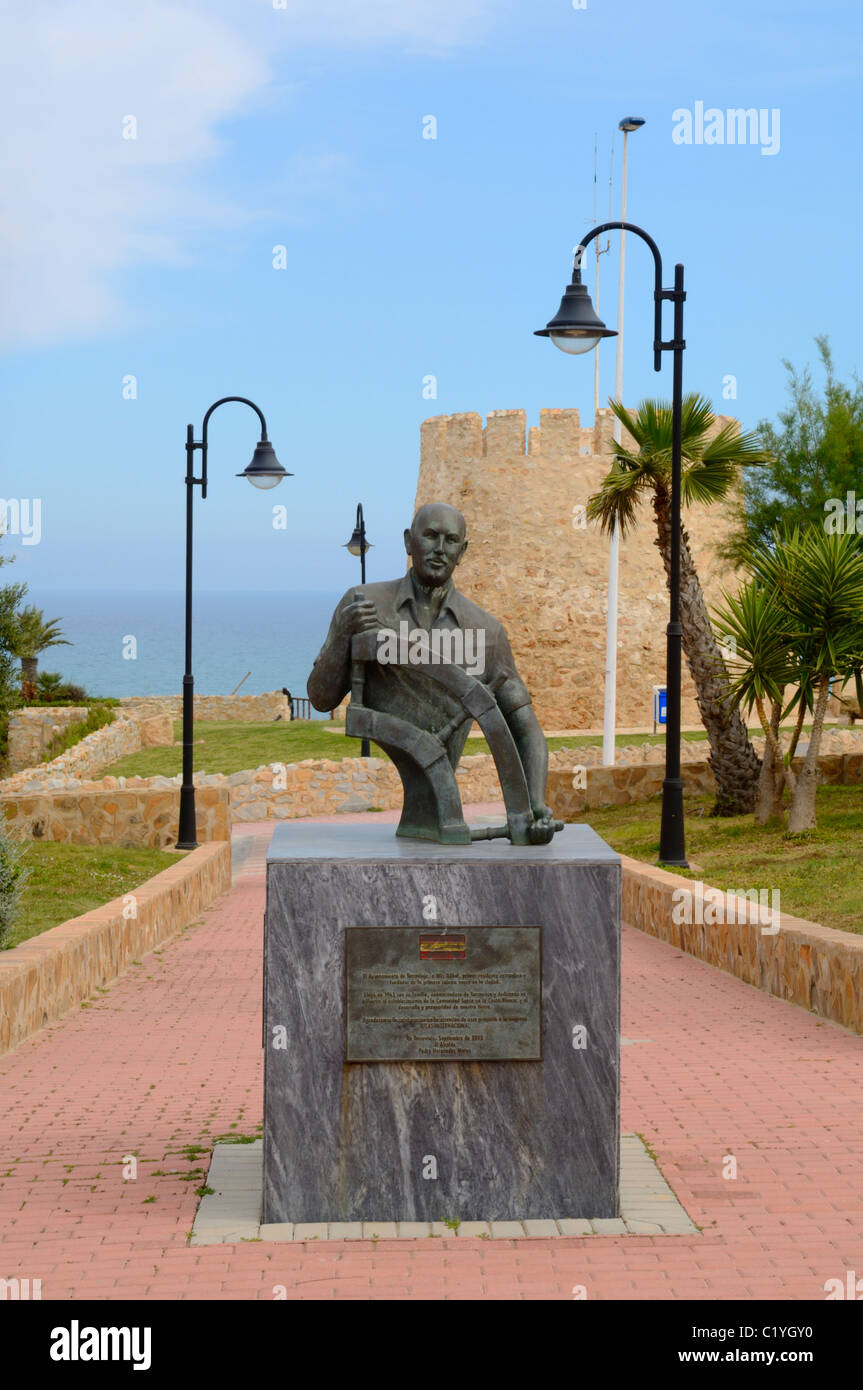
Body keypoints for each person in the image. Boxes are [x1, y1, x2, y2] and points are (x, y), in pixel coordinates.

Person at [308, 501, 556, 838]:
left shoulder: (486, 632)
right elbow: (321, 699)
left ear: (462, 551)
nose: (440, 549)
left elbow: (524, 728)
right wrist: (341, 636)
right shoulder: (364, 603)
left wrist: (535, 805)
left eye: (451, 541)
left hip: (442, 804)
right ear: (409, 541)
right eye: (430, 536)